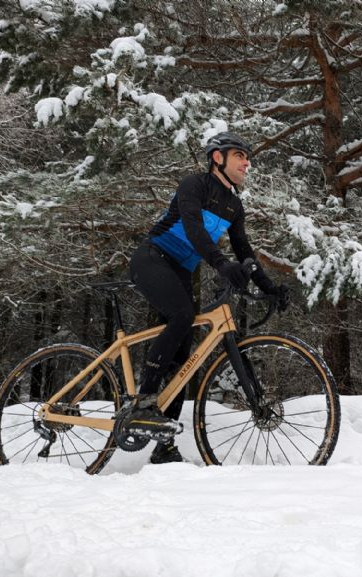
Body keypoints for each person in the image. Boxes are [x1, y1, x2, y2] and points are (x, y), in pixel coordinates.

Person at [128, 131, 287, 464]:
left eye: (248, 157)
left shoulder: (234, 204)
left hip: (181, 270)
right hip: (153, 257)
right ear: (218, 157)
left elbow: (244, 250)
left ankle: (163, 443)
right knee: (183, 315)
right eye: (240, 155)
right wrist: (220, 264)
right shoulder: (194, 185)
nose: (247, 162)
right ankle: (144, 399)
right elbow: (194, 229)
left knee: (184, 356)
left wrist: (269, 286)